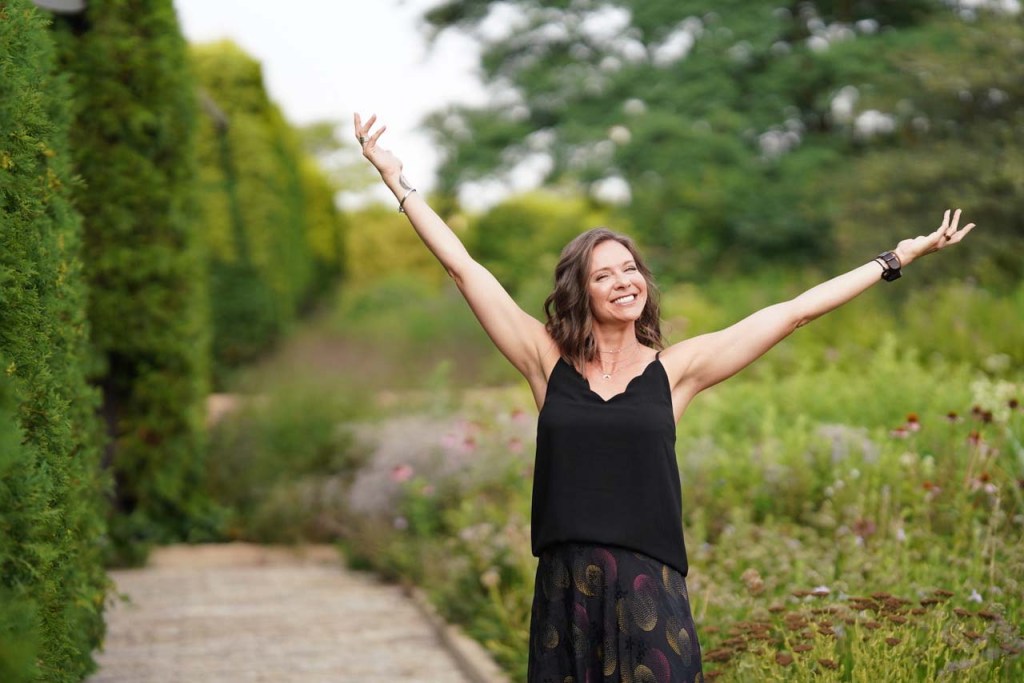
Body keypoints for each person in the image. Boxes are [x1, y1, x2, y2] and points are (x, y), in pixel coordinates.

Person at [353, 113, 974, 683]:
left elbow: (794, 313)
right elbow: (466, 269)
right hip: (567, 585)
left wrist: (897, 258)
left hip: (650, 583)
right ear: (582, 292)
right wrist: (397, 182)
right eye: (603, 275)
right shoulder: (545, 360)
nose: (623, 281)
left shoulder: (677, 371)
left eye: (630, 269)